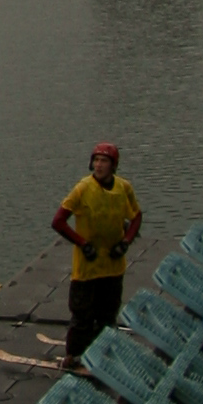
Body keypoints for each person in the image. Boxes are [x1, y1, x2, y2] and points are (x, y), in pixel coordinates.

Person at [51, 140, 141, 362]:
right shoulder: (82, 189)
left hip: (112, 265)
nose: (99, 165)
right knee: (82, 315)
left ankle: (105, 354)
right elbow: (58, 221)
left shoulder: (124, 188)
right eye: (96, 161)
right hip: (88, 267)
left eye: (104, 161)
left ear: (113, 165)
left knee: (107, 315)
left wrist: (126, 242)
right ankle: (73, 356)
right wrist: (82, 243)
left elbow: (136, 216)